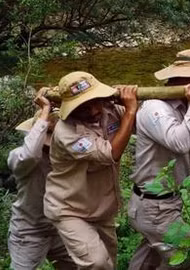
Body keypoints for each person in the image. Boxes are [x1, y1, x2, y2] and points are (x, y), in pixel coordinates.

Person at [128, 48, 190, 270]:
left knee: (148, 258)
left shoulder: (185, 105)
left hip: (166, 203)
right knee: (186, 256)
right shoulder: (155, 108)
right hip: (154, 205)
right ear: (182, 79)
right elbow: (179, 142)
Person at [44, 71, 138, 270]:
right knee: (96, 263)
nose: (94, 110)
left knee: (109, 263)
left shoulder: (109, 109)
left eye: (96, 101)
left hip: (102, 208)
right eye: (84, 107)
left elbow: (140, 119)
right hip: (70, 209)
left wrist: (130, 98)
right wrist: (130, 111)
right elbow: (110, 154)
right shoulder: (67, 132)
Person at [7, 89, 75, 270]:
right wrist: (45, 112)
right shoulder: (18, 157)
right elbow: (30, 155)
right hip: (29, 230)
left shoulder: (66, 156)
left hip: (62, 227)